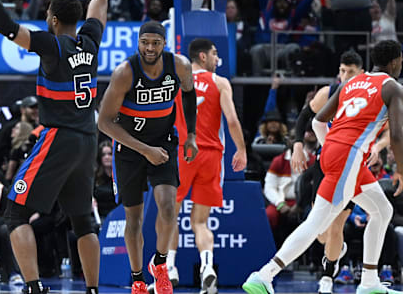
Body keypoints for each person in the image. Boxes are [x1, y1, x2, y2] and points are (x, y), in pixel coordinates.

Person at [0, 0, 117, 294]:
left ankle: (34, 286)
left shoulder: (51, 45)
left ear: (52, 20)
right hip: (87, 141)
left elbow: (4, 25)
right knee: (83, 220)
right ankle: (91, 289)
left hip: (58, 137)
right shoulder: (90, 41)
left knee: (16, 213)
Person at [242, 40, 403, 294]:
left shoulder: (348, 84)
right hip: (348, 157)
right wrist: (401, 170)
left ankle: (370, 281)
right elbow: (397, 136)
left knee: (382, 210)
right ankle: (264, 275)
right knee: (317, 224)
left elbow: (317, 121)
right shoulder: (392, 86)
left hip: (335, 154)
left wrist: (333, 147)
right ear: (396, 61)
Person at [97, 21, 198, 294]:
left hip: (163, 143)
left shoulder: (179, 65)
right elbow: (104, 123)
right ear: (138, 42)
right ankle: (138, 279)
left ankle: (161, 265)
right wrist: (144, 150)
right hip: (130, 149)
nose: (150, 48)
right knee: (134, 219)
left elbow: (189, 95)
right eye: (145, 42)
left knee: (168, 207)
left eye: (155, 42)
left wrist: (191, 135)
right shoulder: (124, 73)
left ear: (164, 43)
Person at [166, 38, 247, 292]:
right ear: (202, 56)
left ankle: (169, 268)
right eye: (214, 54)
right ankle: (207, 267)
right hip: (211, 154)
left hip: (182, 152)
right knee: (200, 222)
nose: (216, 59)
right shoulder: (220, 82)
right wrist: (242, 149)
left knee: (170, 214)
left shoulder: (177, 82)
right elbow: (232, 120)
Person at [289, 50, 367, 294]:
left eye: (350, 72)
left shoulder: (368, 96)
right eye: (342, 71)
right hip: (324, 164)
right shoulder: (329, 92)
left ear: (361, 73)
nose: (344, 76)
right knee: (321, 231)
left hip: (350, 165)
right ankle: (334, 250)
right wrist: (298, 146)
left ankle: (327, 278)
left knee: (337, 227)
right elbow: (304, 117)